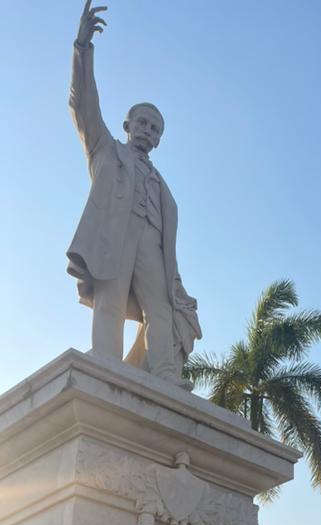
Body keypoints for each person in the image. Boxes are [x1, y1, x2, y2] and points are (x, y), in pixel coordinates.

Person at [67, 2, 199, 385]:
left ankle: (166, 375)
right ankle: (105, 365)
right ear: (127, 125)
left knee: (162, 309)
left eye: (155, 128)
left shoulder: (163, 188)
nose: (148, 130)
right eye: (142, 122)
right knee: (109, 300)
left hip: (152, 246)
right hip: (115, 234)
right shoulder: (105, 150)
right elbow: (83, 105)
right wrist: (82, 48)